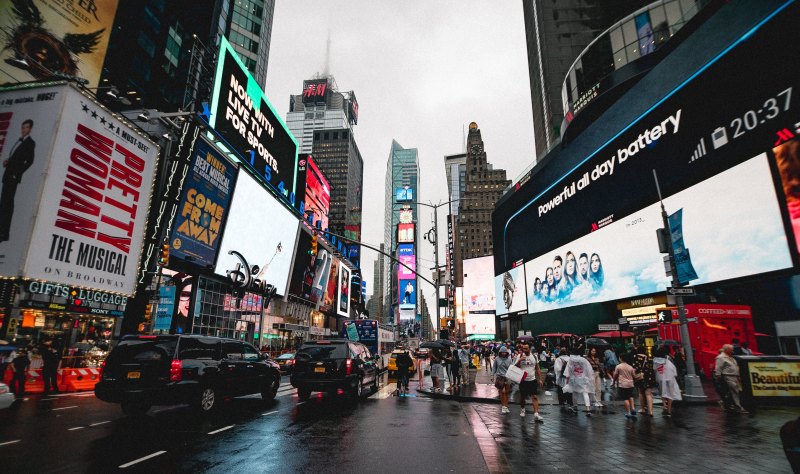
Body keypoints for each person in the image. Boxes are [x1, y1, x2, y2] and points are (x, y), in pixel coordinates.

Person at [0, 119, 35, 242]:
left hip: (13, 177)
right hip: (8, 175)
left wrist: (17, 173)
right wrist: (8, 163)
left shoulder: (30, 143)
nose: (23, 129)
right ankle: (2, 231)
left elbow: (30, 161)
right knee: (3, 203)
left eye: (26, 127)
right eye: (23, 127)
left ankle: (4, 233)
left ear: (30, 129)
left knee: (7, 204)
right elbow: (16, 159)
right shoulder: (19, 141)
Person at [513, 342, 544, 422]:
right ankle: (523, 409)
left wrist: (540, 379)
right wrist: (519, 360)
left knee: (534, 397)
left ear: (530, 348)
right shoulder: (519, 356)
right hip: (523, 380)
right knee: (522, 397)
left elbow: (537, 368)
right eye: (523, 348)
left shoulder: (534, 356)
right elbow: (515, 367)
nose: (525, 350)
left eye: (526, 348)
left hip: (532, 380)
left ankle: (536, 414)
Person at [715, 344, 748, 413]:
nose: (733, 351)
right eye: (731, 349)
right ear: (726, 350)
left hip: (734, 376)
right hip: (728, 376)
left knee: (734, 391)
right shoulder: (721, 358)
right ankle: (738, 407)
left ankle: (725, 403)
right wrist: (718, 376)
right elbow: (718, 368)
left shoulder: (730, 357)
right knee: (735, 392)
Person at [653, 347, 681, 418]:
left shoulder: (656, 361)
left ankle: (664, 406)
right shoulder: (669, 359)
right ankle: (669, 411)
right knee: (670, 394)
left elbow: (654, 369)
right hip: (669, 378)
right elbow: (673, 369)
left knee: (662, 392)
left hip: (660, 378)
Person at [633, 347, 656, 416]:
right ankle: (651, 411)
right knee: (648, 394)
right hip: (648, 377)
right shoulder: (648, 358)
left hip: (640, 377)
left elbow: (634, 368)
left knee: (640, 393)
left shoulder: (635, 357)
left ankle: (643, 408)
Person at [613, 353, 638, 419]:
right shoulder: (630, 367)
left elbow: (615, 375)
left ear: (621, 358)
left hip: (623, 385)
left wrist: (613, 382)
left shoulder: (618, 366)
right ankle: (633, 408)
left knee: (625, 398)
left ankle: (628, 412)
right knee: (631, 396)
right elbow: (634, 376)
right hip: (631, 384)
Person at [492, 346, 513, 414]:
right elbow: (494, 367)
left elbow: (511, 368)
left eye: (505, 352)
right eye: (502, 352)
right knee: (502, 392)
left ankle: (506, 406)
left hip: (508, 377)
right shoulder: (497, 359)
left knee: (506, 392)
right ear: (500, 352)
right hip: (500, 377)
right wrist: (492, 375)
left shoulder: (509, 359)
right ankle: (503, 406)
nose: (503, 353)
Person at [554, 347, 573, 411]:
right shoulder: (570, 359)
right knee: (569, 390)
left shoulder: (558, 359)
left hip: (561, 377)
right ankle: (570, 403)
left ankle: (562, 403)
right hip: (569, 378)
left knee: (561, 390)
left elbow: (557, 369)